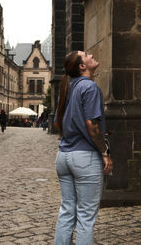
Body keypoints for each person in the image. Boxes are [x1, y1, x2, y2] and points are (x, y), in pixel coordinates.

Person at [54, 51, 113, 245]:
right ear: (82, 66)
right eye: (86, 54)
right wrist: (105, 153)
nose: (92, 54)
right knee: (86, 216)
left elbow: (57, 123)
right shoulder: (90, 87)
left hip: (63, 156)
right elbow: (92, 125)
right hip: (85, 158)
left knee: (67, 210)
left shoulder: (68, 89)